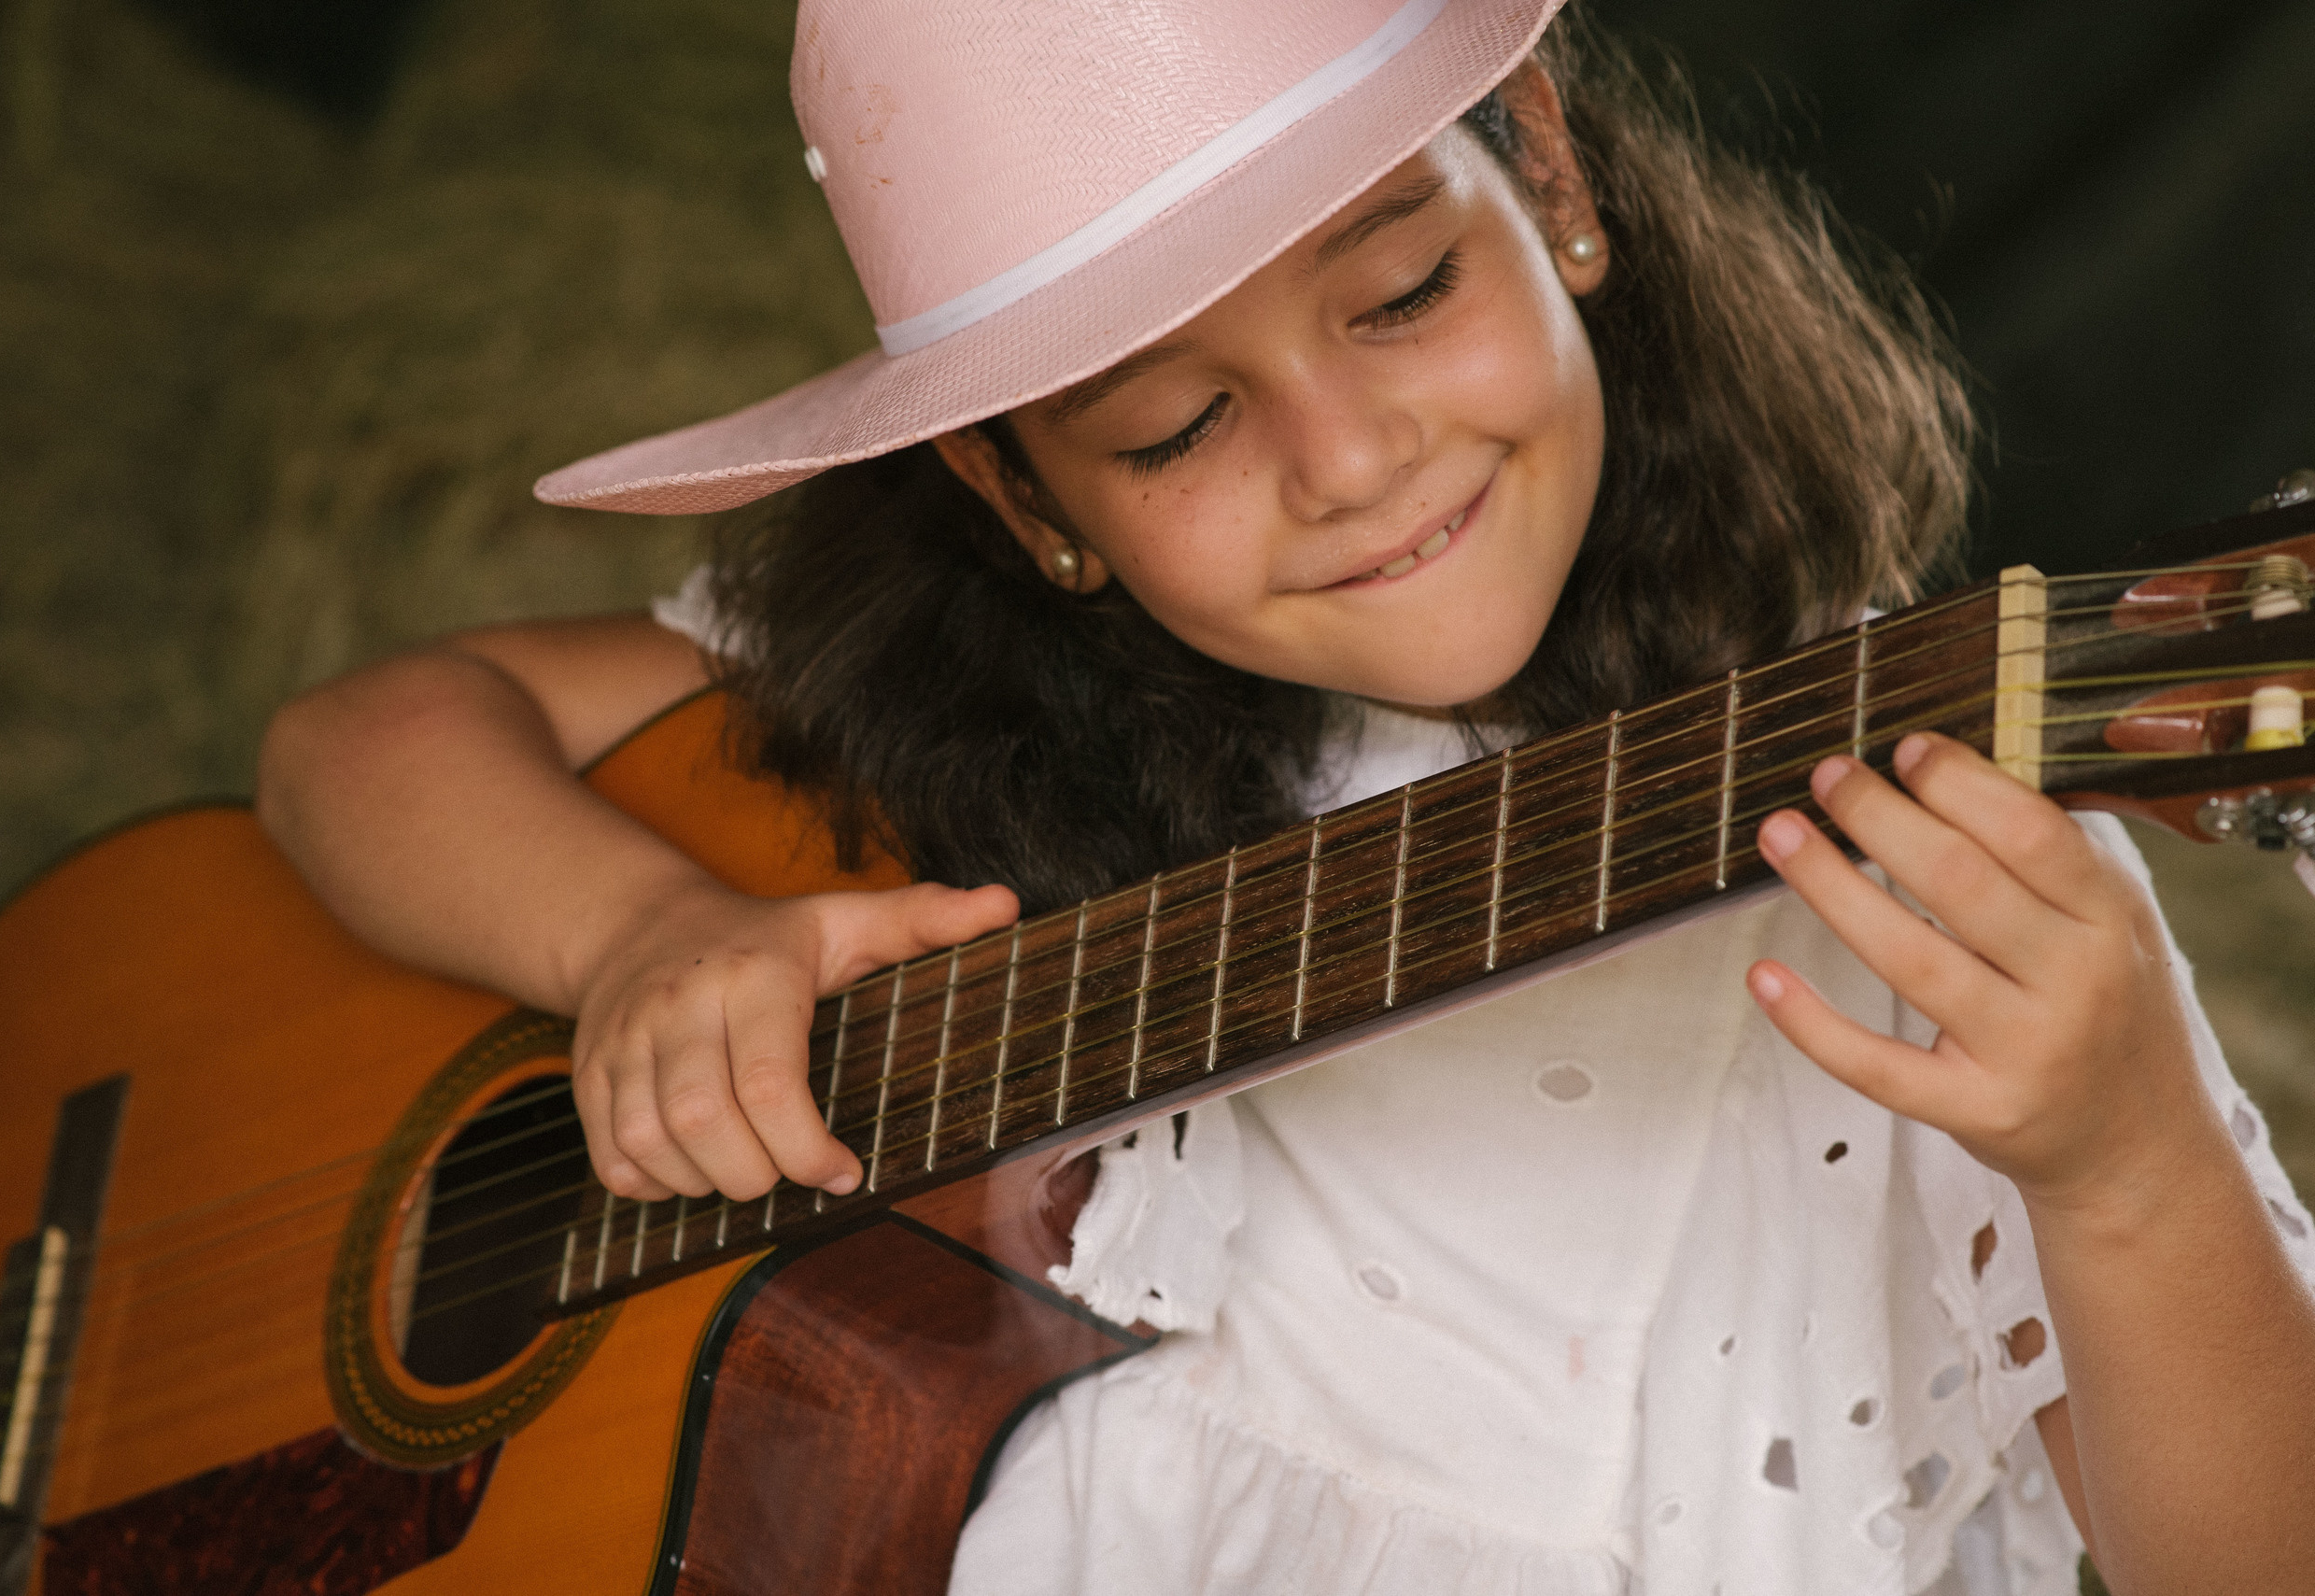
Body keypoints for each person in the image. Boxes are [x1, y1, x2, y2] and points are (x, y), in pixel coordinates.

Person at [256, 2, 2315, 1591]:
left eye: (1404, 292)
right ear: (1016, 489)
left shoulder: (1924, 844)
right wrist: (638, 937)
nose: (1345, 461)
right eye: (1170, 425)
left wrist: (2122, 1158)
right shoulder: (952, 726)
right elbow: (355, 747)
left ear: (1550, 178)